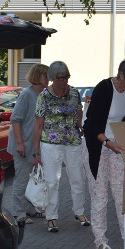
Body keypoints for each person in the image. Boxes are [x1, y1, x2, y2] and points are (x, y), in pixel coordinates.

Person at [84, 56, 125, 249]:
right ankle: (100, 241)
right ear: (121, 74)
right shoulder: (104, 88)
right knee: (100, 195)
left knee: (122, 195)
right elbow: (90, 124)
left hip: (116, 147)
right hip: (97, 146)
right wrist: (107, 142)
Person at [32, 62, 89, 233]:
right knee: (52, 182)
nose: (63, 81)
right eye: (60, 78)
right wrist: (35, 152)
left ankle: (79, 212)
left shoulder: (74, 92)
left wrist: (84, 128)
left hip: (73, 141)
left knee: (78, 179)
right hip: (50, 143)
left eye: (66, 77)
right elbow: (38, 125)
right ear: (51, 78)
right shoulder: (44, 96)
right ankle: (51, 216)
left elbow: (79, 115)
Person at [7, 63, 49, 224]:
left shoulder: (44, 94)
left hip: (35, 145)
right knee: (22, 179)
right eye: (46, 75)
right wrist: (19, 144)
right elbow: (15, 120)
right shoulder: (27, 94)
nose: (48, 79)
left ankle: (30, 209)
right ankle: (18, 213)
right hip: (23, 143)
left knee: (32, 178)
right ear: (38, 77)